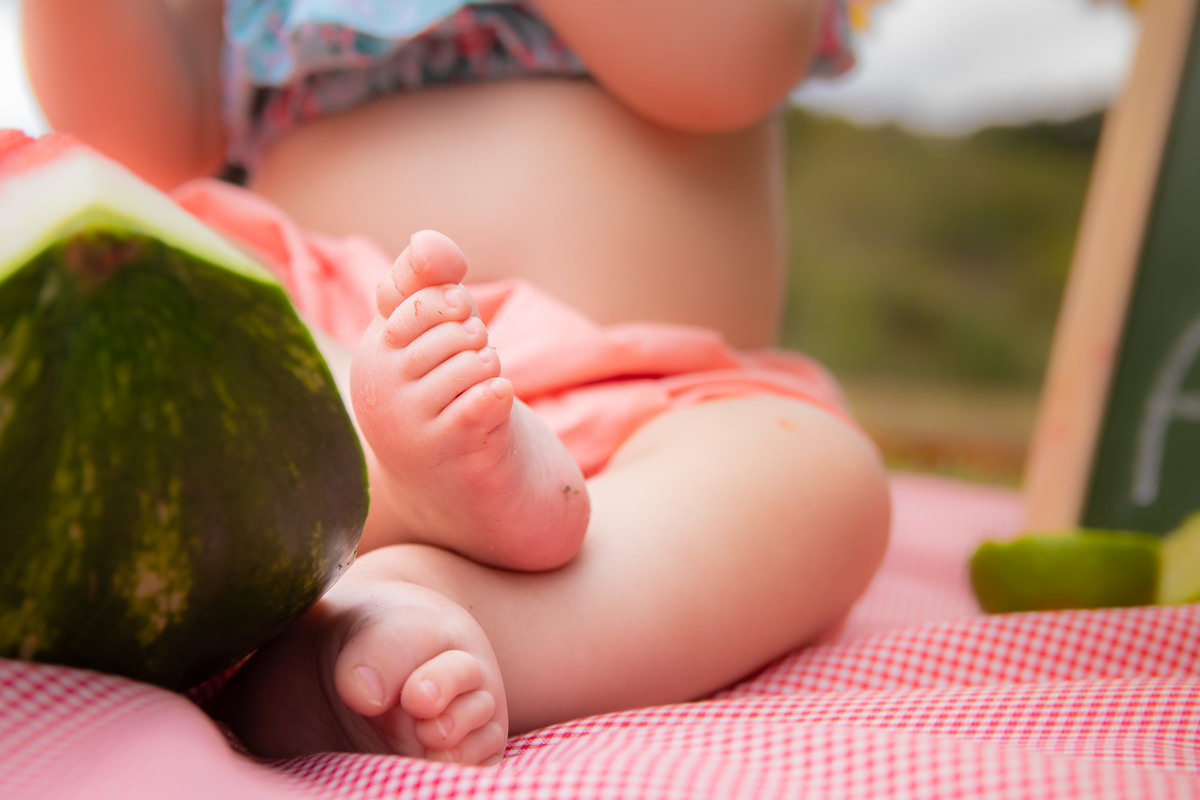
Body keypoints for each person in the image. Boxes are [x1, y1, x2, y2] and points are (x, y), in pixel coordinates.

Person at [21, 0, 892, 766]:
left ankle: (406, 614)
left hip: (647, 398)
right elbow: (140, 143)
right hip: (324, 356)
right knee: (148, 334)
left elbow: (731, 56)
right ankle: (391, 496)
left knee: (824, 479)